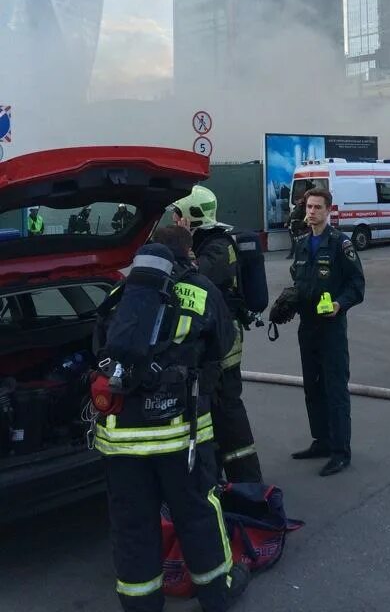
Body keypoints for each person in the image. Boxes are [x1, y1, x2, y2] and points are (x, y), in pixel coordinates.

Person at [92, 233, 250, 612]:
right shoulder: (201, 290)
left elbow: (100, 350)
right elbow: (223, 343)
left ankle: (140, 602)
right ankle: (216, 592)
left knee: (133, 521)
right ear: (187, 253)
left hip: (121, 438)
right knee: (197, 511)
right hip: (181, 434)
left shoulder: (122, 295)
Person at [172, 186, 262, 483]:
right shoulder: (204, 242)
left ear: (190, 215)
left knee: (229, 410)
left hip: (224, 341)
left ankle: (248, 482)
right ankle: (217, 478)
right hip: (209, 339)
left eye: (177, 214)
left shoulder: (219, 246)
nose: (174, 219)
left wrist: (182, 246)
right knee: (210, 410)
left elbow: (195, 275)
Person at [290, 187, 365, 476]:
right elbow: (299, 281)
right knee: (312, 386)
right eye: (309, 207)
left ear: (329, 211)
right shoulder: (300, 243)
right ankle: (321, 440)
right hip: (307, 326)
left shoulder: (340, 244)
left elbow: (357, 286)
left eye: (317, 207)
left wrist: (339, 303)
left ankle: (340, 451)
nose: (311, 212)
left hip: (331, 327)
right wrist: (288, 302)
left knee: (335, 389)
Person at [286, 188, 308, 260]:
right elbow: (291, 216)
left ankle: (293, 254)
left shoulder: (303, 207)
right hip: (293, 227)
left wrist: (302, 225)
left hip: (298, 226)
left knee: (296, 241)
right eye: (297, 200)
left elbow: (305, 218)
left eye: (299, 199)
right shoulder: (295, 207)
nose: (298, 201)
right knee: (294, 241)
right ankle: (293, 254)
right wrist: (287, 222)